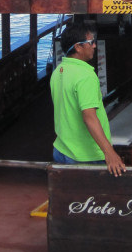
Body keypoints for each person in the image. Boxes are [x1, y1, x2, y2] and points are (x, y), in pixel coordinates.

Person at [51, 22, 126, 176]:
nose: (94, 46)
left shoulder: (59, 71)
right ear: (78, 47)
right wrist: (109, 153)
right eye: (91, 42)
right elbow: (89, 117)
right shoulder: (86, 76)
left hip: (61, 150)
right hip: (85, 156)